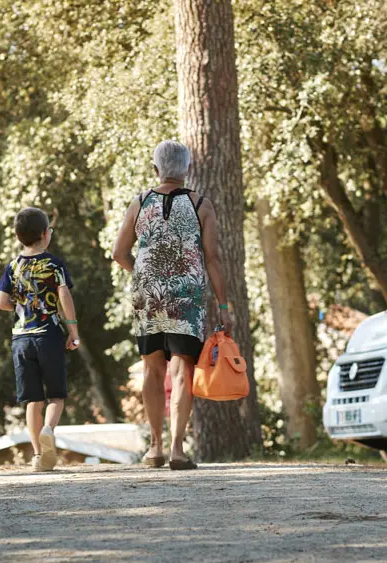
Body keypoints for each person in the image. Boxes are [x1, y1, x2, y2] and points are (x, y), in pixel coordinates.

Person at [112, 140, 231, 470]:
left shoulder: (139, 202)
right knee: (182, 368)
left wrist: (145, 271)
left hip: (148, 292)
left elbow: (118, 253)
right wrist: (224, 306)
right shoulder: (202, 205)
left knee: (152, 367)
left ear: (156, 170)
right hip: (186, 293)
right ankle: (178, 450)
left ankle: (155, 448)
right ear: (187, 169)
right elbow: (213, 259)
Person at [0, 207, 80, 472]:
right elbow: (64, 297)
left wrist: (23, 306)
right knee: (56, 395)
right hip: (49, 336)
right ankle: (48, 429)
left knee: (33, 400)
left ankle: (36, 455)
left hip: (21, 340)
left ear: (19, 236)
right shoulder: (54, 265)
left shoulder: (13, 266)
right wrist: (73, 331)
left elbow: (1, 301)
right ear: (45, 234)